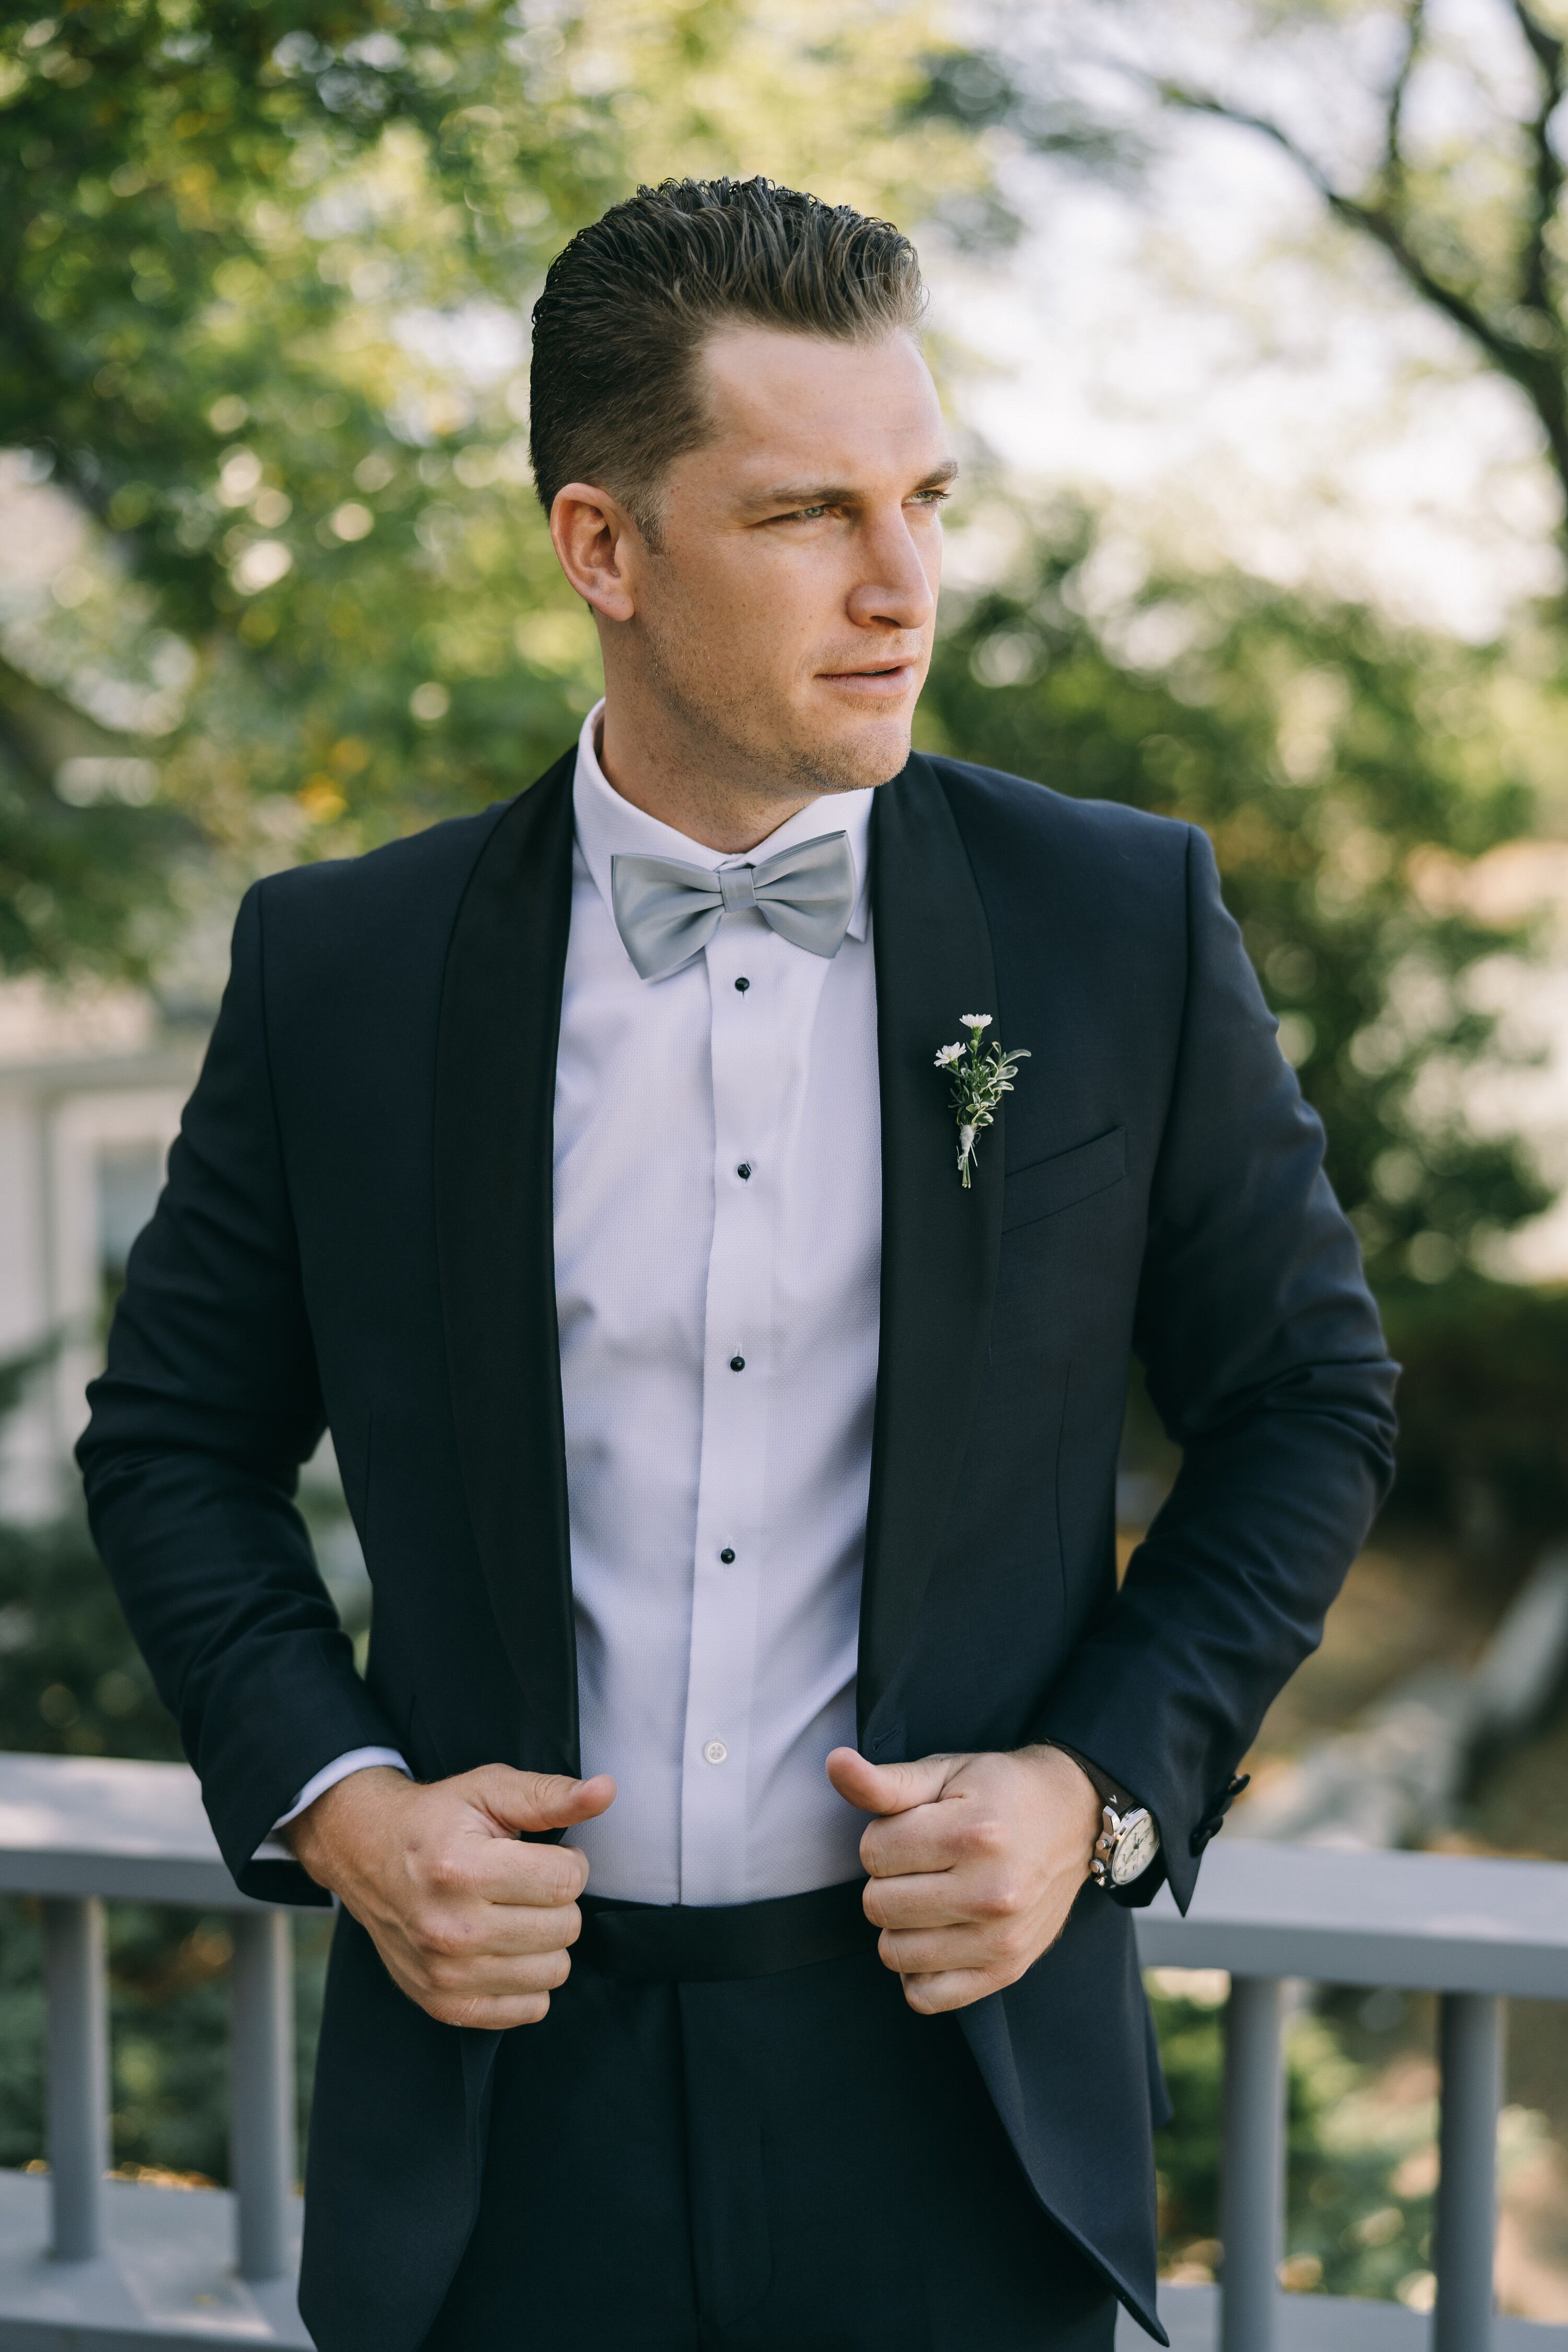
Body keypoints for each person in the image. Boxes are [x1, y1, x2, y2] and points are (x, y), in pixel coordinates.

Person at [78, 177, 1398, 2352]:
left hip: (957, 2103)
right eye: (808, 515)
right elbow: (176, 1444)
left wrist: (1097, 1790)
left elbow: (1309, 1400)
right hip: (502, 2123)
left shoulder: (1118, 921)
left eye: (928, 500)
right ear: (605, 547)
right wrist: (345, 1807)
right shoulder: (345, 967)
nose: (905, 587)